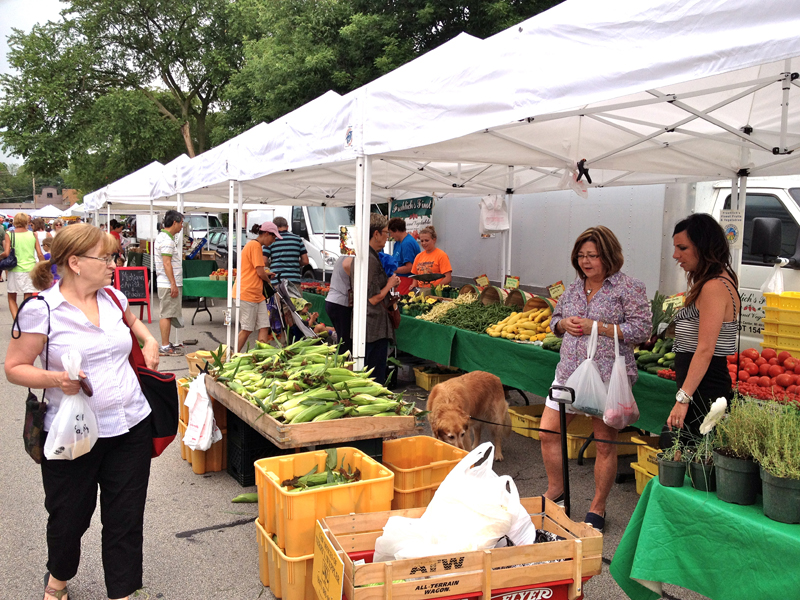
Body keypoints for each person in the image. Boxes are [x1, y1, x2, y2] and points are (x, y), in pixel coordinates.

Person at [5, 223, 160, 600]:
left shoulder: (114, 298)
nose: (113, 263)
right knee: (68, 516)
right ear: (74, 262)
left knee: (124, 519)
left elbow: (134, 323)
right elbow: (14, 367)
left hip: (130, 426)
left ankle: (122, 592)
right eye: (105, 257)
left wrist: (149, 338)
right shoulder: (40, 309)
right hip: (72, 434)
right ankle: (58, 579)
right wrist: (56, 379)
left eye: (113, 256)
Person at [540, 226, 650, 534]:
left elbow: (641, 331)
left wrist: (596, 327)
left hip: (606, 378)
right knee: (548, 432)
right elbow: (553, 321)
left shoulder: (628, 288)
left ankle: (597, 506)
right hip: (567, 374)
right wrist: (562, 323)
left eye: (594, 255)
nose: (586, 262)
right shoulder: (573, 289)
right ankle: (556, 490)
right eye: (582, 255)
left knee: (603, 443)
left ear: (609, 255)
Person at [666, 213, 739, 440]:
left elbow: (706, 349)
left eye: (683, 248)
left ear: (703, 246)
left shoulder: (714, 287)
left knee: (693, 460)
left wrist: (683, 399)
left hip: (704, 391)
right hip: (701, 387)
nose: (675, 255)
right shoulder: (713, 281)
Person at [352, 214, 400, 383]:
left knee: (368, 374)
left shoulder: (367, 255)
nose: (388, 237)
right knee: (373, 377)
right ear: (376, 234)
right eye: (386, 233)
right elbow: (372, 299)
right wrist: (390, 283)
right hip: (372, 327)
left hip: (369, 326)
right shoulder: (369, 260)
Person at [235, 222, 281, 352]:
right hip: (247, 292)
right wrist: (268, 279)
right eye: (273, 237)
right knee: (247, 329)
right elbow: (260, 272)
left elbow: (257, 270)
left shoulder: (254, 245)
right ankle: (231, 357)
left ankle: (262, 355)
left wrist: (266, 274)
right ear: (266, 233)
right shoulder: (255, 246)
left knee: (264, 326)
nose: (273, 240)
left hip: (257, 294)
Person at [154, 210, 185, 356]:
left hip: (165, 282)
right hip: (167, 284)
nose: (182, 227)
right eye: (181, 223)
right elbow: (167, 264)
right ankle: (165, 346)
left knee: (169, 313)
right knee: (166, 314)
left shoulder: (163, 237)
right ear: (174, 222)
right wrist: (173, 283)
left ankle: (166, 344)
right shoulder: (166, 240)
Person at [8, 212, 44, 319]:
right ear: (26, 222)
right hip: (30, 268)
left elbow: (6, 253)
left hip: (15, 269)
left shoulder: (10, 234)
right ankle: (24, 323)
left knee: (11, 297)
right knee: (27, 298)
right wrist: (43, 268)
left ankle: (16, 322)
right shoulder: (33, 234)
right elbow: (39, 253)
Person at [264, 216, 308, 283]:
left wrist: (270, 266)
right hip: (294, 280)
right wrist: (294, 264)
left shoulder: (270, 239)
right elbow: (305, 261)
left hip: (277, 280)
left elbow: (263, 261)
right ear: (287, 227)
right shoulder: (297, 239)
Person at [325, 255, 354, 356]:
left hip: (331, 301)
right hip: (340, 303)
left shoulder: (341, 257)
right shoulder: (350, 259)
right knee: (345, 340)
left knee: (342, 338)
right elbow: (347, 265)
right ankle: (342, 365)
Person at [388, 218, 420, 295]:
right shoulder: (398, 243)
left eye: (391, 233)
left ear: (397, 230)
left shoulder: (407, 243)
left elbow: (410, 268)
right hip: (399, 281)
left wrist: (391, 269)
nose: (391, 236)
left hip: (407, 281)